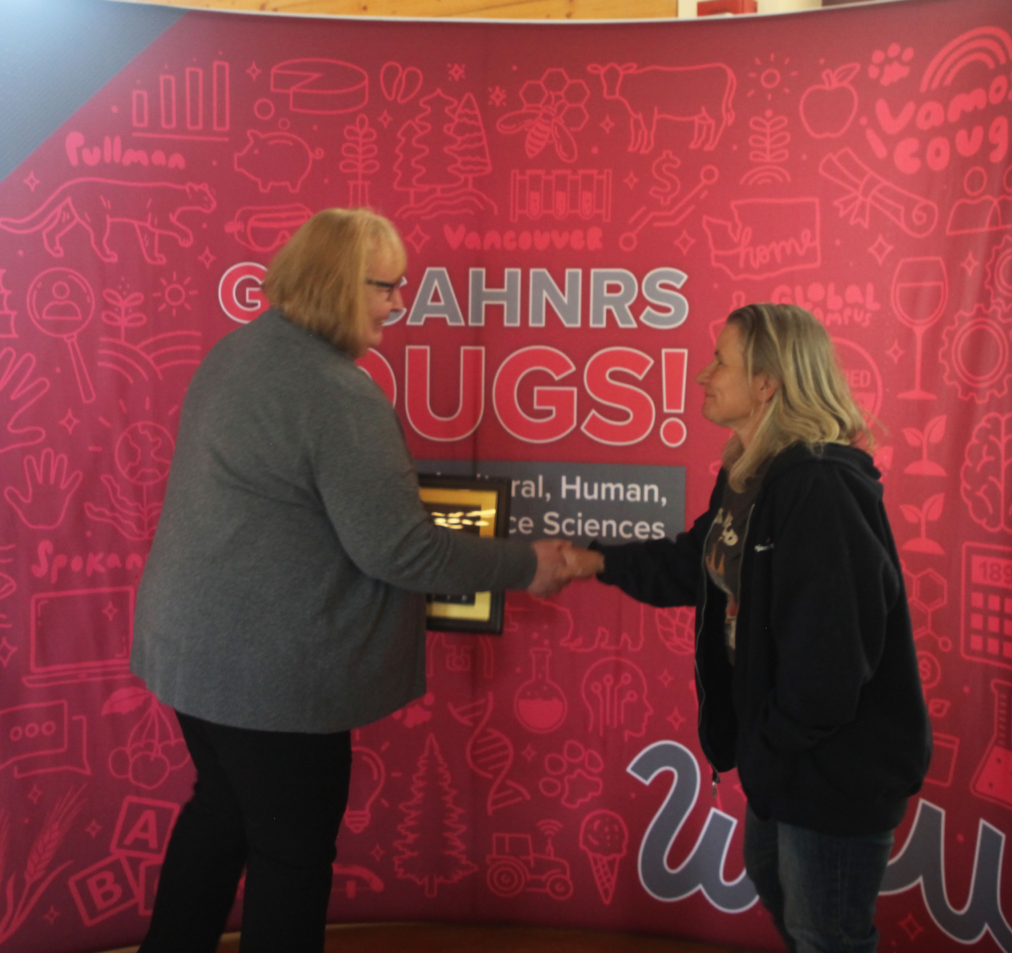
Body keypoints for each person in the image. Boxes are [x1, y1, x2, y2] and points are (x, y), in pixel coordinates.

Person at [129, 208, 571, 953]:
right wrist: (533, 563)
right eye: (387, 287)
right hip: (272, 684)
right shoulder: (337, 394)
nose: (401, 303)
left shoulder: (237, 351)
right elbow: (404, 552)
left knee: (222, 813)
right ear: (337, 283)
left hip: (192, 661)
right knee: (290, 858)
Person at [563, 303, 932, 953]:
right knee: (781, 890)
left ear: (767, 382)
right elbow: (693, 564)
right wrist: (585, 558)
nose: (704, 374)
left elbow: (831, 664)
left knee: (829, 936)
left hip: (831, 769)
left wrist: (767, 742)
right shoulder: (748, 474)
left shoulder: (818, 486)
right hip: (787, 763)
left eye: (721, 361)